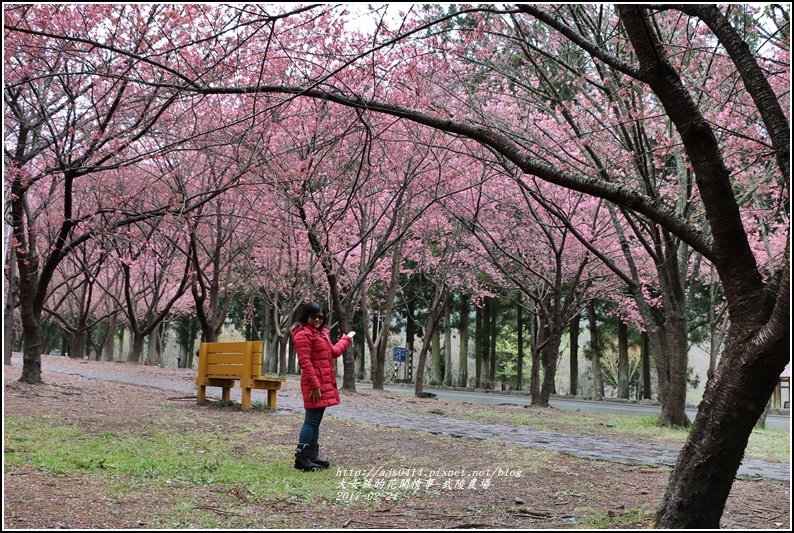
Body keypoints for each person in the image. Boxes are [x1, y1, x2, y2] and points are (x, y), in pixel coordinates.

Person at [291, 302, 356, 471]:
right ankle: (301, 459)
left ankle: (311, 456)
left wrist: (346, 338)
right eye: (313, 316)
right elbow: (304, 362)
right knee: (311, 421)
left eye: (321, 316)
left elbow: (333, 352)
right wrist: (314, 385)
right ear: (306, 316)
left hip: (322, 383)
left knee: (316, 422)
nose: (318, 319)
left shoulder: (321, 334)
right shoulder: (303, 334)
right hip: (315, 384)